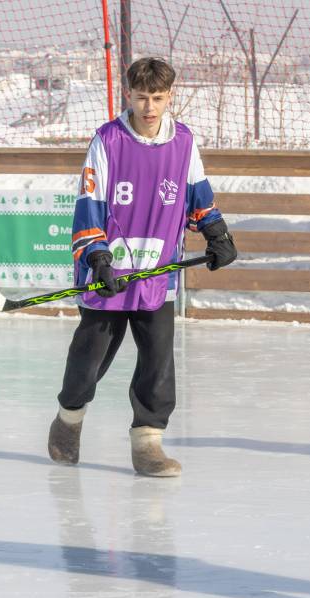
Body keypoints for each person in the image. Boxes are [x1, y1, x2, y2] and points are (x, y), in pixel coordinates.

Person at [47, 57, 237, 476]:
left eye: (157, 98)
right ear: (128, 95)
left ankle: (148, 442)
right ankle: (68, 420)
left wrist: (216, 232)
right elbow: (89, 203)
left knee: (157, 361)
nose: (149, 107)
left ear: (170, 97)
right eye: (141, 97)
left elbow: (198, 194)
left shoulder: (183, 142)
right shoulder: (108, 140)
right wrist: (97, 256)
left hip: (157, 275)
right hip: (108, 274)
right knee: (89, 360)